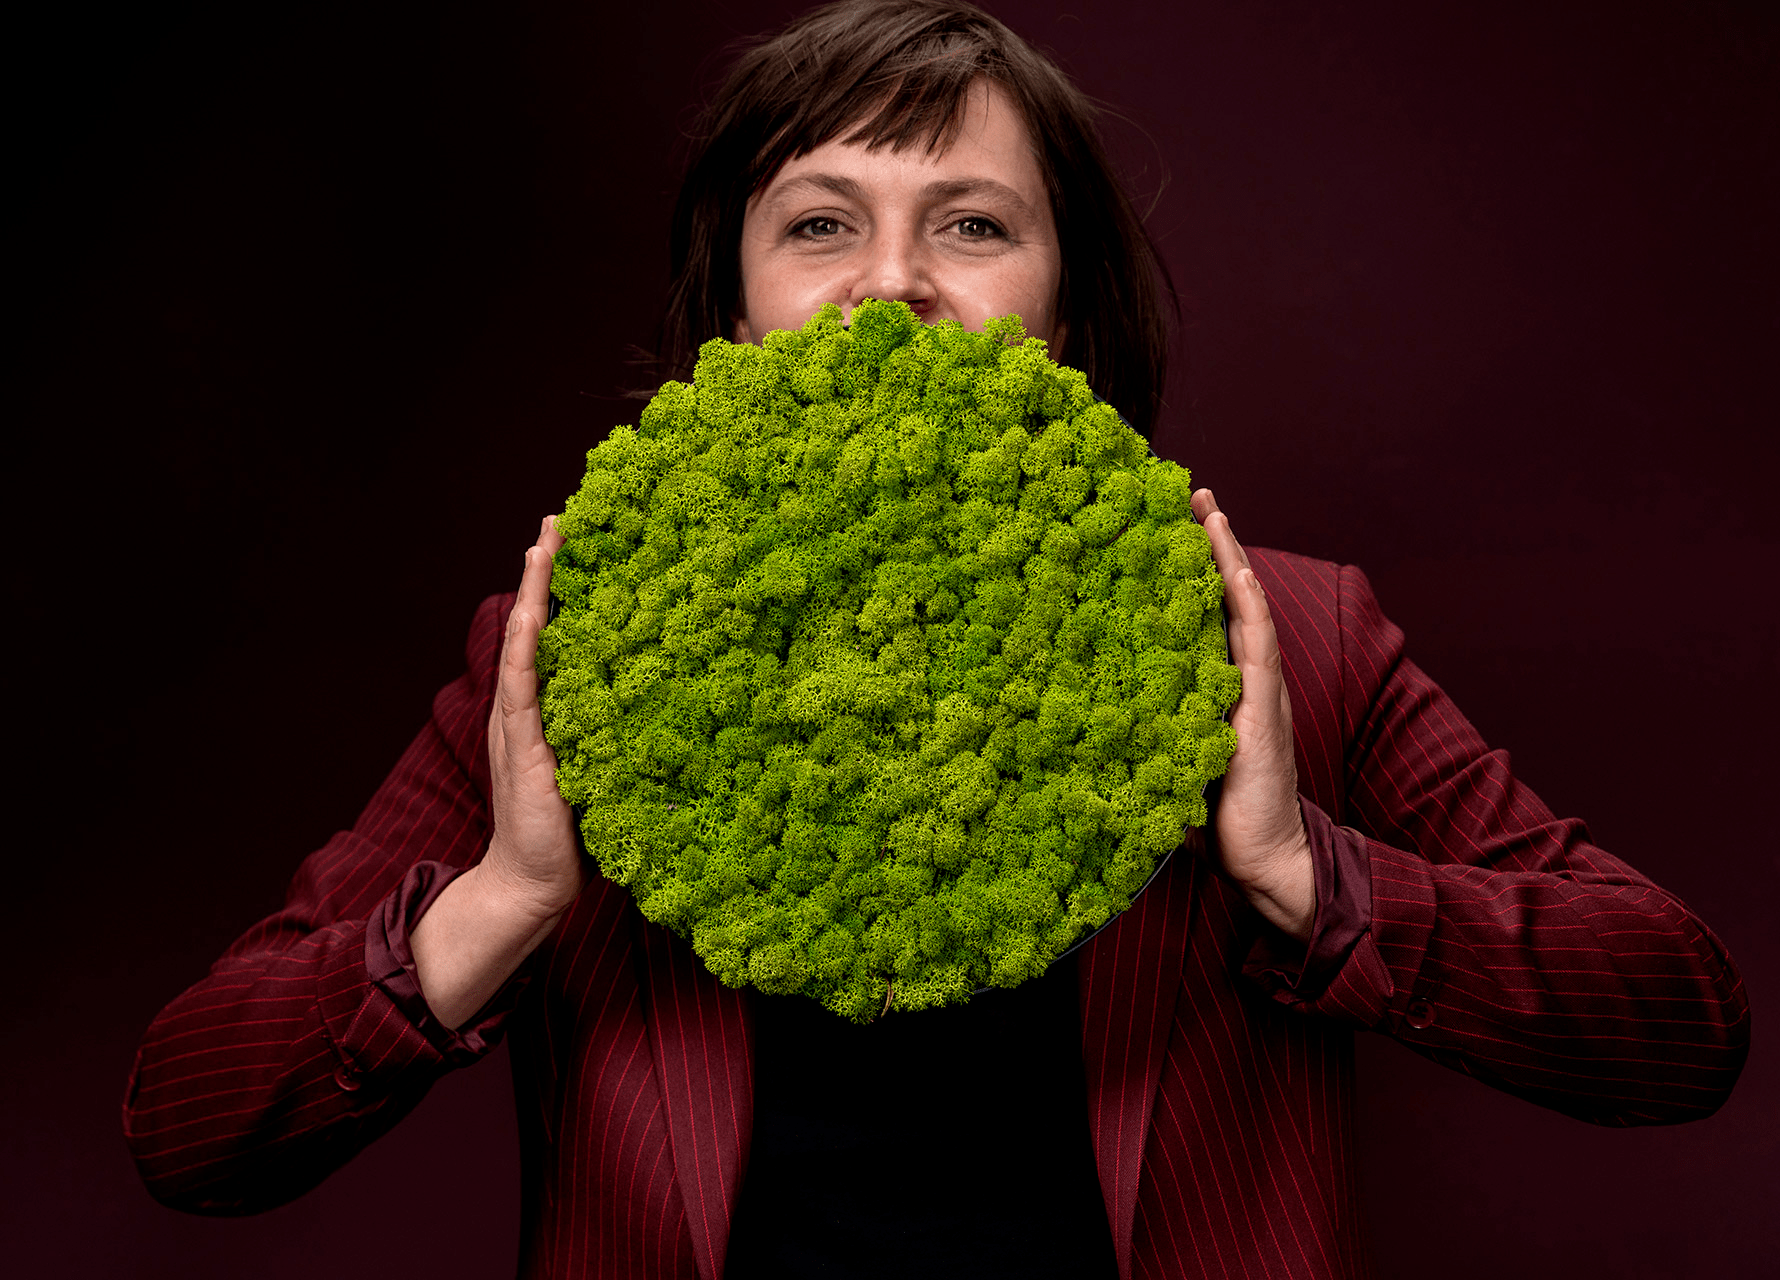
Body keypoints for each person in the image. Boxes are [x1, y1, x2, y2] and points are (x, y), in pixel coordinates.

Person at [123, 3, 1749, 1278]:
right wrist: (503, 900)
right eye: (818, 225)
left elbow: (1679, 1025)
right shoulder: (563, 662)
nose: (891, 284)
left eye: (971, 225)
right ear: (735, 311)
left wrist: (1308, 879)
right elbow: (193, 1127)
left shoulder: (1290, 639)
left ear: (1067, 310)